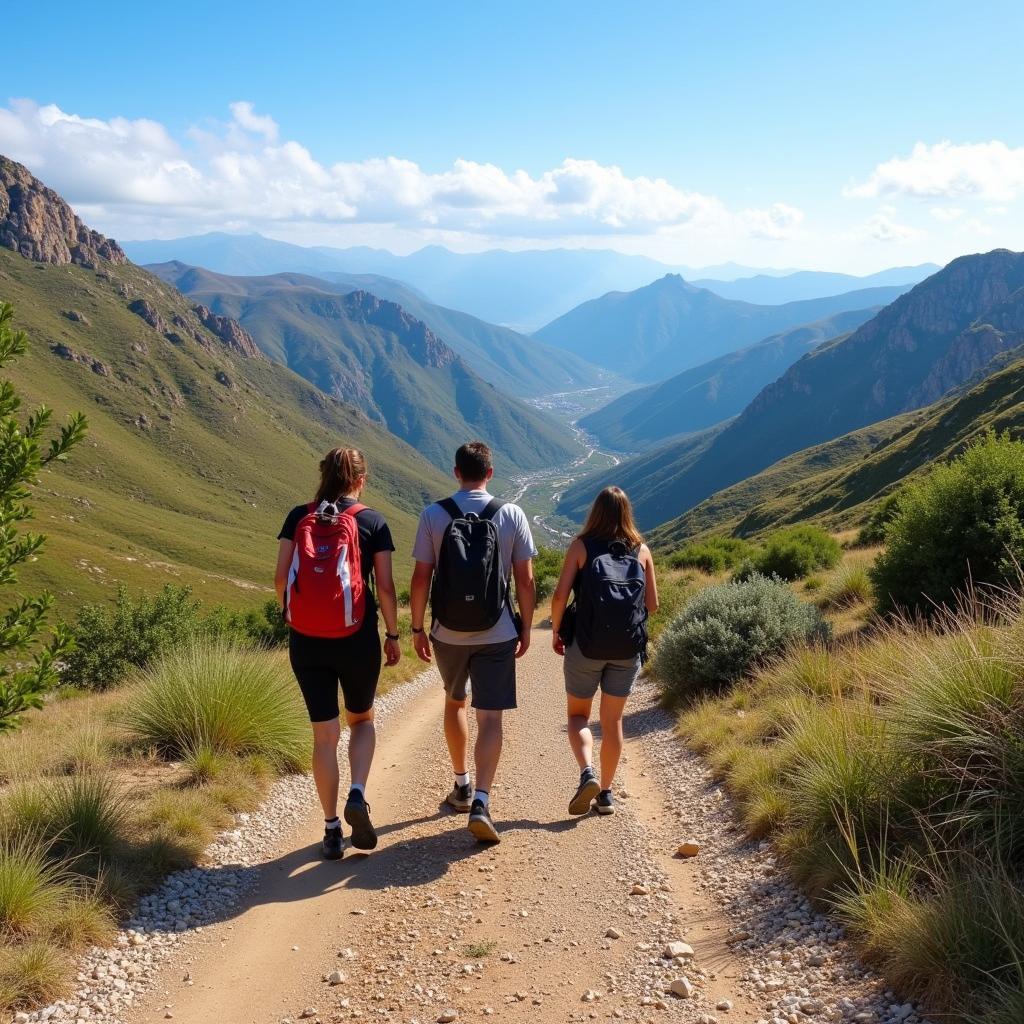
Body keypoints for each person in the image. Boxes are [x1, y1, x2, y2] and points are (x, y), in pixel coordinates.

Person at [275, 446, 401, 860]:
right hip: (357, 639)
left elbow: (280, 578)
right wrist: (394, 633)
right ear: (360, 480)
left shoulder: (298, 517)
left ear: (323, 474)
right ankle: (358, 794)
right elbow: (384, 587)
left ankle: (331, 830)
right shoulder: (372, 521)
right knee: (362, 719)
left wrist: (291, 615)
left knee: (324, 736)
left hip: (307, 640)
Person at [410, 441, 536, 843]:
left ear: (456, 472)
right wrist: (526, 626)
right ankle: (482, 799)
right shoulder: (510, 513)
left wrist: (415, 628)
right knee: (491, 717)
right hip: (497, 630)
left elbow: (420, 579)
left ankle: (461, 784)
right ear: (490, 473)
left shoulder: (434, 514)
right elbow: (526, 580)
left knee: (454, 701)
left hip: (448, 631)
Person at [549, 486, 658, 817]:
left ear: (595, 512)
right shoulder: (642, 550)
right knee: (612, 722)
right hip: (626, 650)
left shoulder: (581, 547)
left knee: (578, 716)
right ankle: (606, 795)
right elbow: (652, 604)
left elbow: (558, 598)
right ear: (627, 513)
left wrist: (557, 631)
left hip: (585, 646)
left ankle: (587, 773)